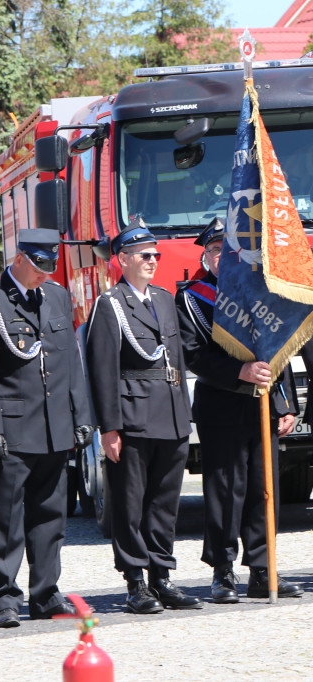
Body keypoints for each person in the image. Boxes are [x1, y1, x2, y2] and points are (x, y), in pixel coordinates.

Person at [0, 228, 93, 628]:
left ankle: (45, 593)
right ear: (20, 258)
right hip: (13, 426)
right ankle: (4, 598)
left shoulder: (56, 296)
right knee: (5, 518)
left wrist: (82, 416)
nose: (45, 274)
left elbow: (71, 364)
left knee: (50, 516)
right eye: (39, 266)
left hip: (54, 426)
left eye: (49, 266)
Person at [176, 219, 301, 601]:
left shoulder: (258, 290)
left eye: (227, 250)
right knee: (225, 491)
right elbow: (194, 355)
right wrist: (239, 372)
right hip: (221, 404)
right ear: (205, 256)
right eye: (214, 251)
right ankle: (222, 572)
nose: (221, 257)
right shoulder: (192, 297)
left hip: (262, 404)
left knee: (266, 490)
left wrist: (285, 404)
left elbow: (280, 348)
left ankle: (262, 569)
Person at [86, 221, 200, 614]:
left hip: (170, 416)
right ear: (123, 259)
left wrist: (184, 416)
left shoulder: (165, 299)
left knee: (165, 503)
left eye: (156, 255)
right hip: (132, 416)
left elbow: (179, 361)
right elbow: (102, 370)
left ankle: (161, 576)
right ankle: (136, 581)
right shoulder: (110, 304)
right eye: (145, 255)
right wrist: (109, 427)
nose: (153, 261)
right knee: (130, 504)